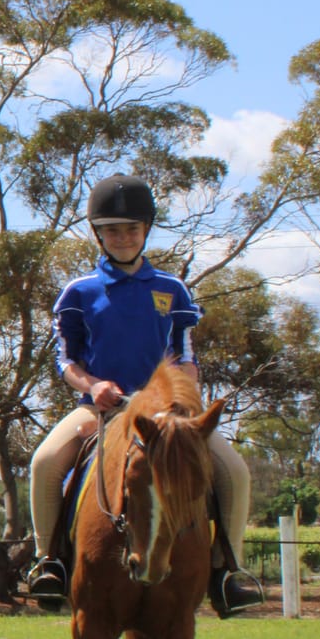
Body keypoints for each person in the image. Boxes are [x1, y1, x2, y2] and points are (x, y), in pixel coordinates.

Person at [26, 174, 263, 616]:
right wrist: (94, 385)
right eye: (112, 230)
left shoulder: (172, 290)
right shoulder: (79, 292)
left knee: (234, 471)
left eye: (131, 229)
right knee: (45, 462)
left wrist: (181, 399)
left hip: (166, 417)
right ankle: (48, 562)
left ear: (146, 230)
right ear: (98, 234)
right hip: (100, 411)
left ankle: (228, 571)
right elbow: (67, 362)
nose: (123, 238)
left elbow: (186, 357)